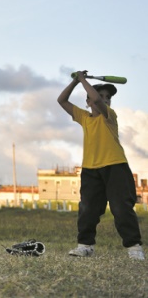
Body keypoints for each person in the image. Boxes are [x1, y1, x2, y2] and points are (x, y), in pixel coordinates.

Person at [57, 70, 144, 260]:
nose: (104, 100)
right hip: (90, 169)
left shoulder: (109, 116)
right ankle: (85, 246)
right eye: (100, 96)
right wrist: (75, 82)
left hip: (115, 167)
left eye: (108, 98)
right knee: (88, 209)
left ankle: (134, 248)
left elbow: (96, 101)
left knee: (121, 208)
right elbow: (61, 100)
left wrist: (82, 79)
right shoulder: (84, 118)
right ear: (86, 102)